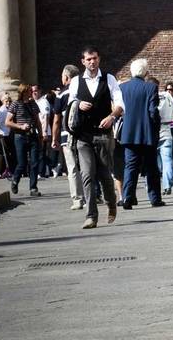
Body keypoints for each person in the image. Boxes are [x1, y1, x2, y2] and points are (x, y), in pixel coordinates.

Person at [68, 46, 123, 229]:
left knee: (104, 173)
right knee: (87, 174)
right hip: (83, 135)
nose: (92, 62)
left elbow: (120, 104)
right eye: (88, 59)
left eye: (95, 58)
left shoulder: (109, 78)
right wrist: (77, 103)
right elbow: (69, 105)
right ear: (83, 62)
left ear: (99, 59)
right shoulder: (76, 81)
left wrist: (111, 116)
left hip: (102, 134)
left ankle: (111, 202)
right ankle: (91, 215)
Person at [119, 58, 165, 209]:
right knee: (151, 167)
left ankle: (127, 198)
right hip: (147, 133)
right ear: (145, 72)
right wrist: (156, 126)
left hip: (129, 133)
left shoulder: (123, 88)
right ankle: (155, 198)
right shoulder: (150, 88)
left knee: (130, 167)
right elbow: (153, 111)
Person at [52, 65, 85, 210]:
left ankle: (78, 199)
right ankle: (93, 194)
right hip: (84, 133)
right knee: (86, 165)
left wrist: (54, 138)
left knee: (72, 167)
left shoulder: (61, 95)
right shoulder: (84, 90)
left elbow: (57, 119)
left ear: (66, 77)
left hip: (67, 134)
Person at [6, 84, 42, 197]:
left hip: (32, 136)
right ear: (22, 93)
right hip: (20, 136)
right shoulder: (15, 104)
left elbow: (37, 120)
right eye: (28, 91)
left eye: (31, 91)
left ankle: (33, 188)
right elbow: (7, 122)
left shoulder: (33, 104)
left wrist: (41, 134)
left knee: (34, 163)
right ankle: (15, 180)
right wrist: (20, 126)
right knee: (22, 163)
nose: (30, 93)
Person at [150, 77, 173, 195]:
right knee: (167, 160)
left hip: (151, 134)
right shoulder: (167, 96)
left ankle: (152, 187)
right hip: (166, 132)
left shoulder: (147, 97)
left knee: (153, 163)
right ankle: (167, 185)